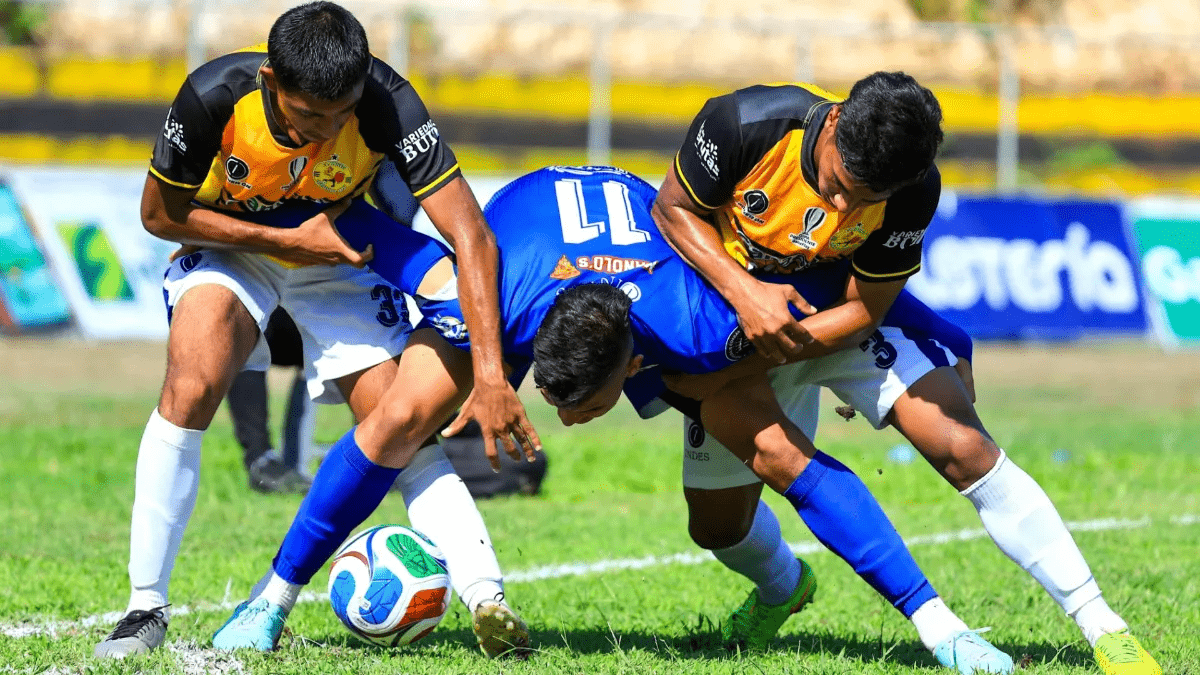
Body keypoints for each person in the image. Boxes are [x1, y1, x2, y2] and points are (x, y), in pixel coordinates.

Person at [213, 166, 1011, 674]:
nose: (566, 422)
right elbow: (368, 232)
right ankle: (270, 599)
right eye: (555, 402)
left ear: (636, 370)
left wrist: (949, 336)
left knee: (773, 455)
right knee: (399, 419)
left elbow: (855, 297)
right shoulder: (469, 290)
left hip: (645, 278)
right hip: (521, 261)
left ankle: (941, 625)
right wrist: (489, 378)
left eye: (580, 408)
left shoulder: (690, 322)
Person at [651, 74, 1159, 674]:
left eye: (865, 198)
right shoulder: (745, 123)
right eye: (840, 184)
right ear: (834, 123)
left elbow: (869, 307)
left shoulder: (914, 185)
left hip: (834, 322)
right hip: (735, 324)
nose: (842, 210)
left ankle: (1105, 626)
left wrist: (781, 342)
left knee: (964, 445)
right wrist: (746, 298)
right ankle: (783, 586)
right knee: (717, 527)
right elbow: (673, 210)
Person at [94, 2, 536, 660]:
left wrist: (493, 376)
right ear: (272, 80)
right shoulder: (214, 97)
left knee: (401, 421)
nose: (329, 131)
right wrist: (284, 239)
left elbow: (469, 233)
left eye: (342, 114)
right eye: (309, 117)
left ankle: (486, 595)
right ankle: (144, 606)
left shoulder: (388, 100)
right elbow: (160, 215)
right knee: (194, 381)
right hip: (234, 245)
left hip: (338, 248)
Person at [227, 307, 314, 494]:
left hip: (310, 307)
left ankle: (380, 458)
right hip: (262, 309)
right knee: (242, 332)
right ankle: (261, 461)